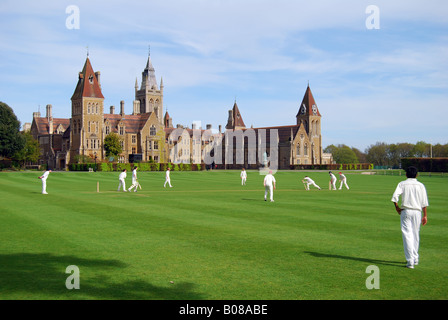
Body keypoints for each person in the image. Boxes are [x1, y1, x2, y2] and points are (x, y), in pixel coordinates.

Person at [391, 166, 429, 269]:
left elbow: (395, 197)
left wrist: (397, 208)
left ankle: (410, 261)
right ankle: (415, 258)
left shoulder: (402, 184)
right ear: (416, 175)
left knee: (407, 235)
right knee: (415, 234)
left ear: (406, 174)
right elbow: (424, 202)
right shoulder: (421, 185)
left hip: (406, 211)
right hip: (417, 212)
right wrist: (425, 215)